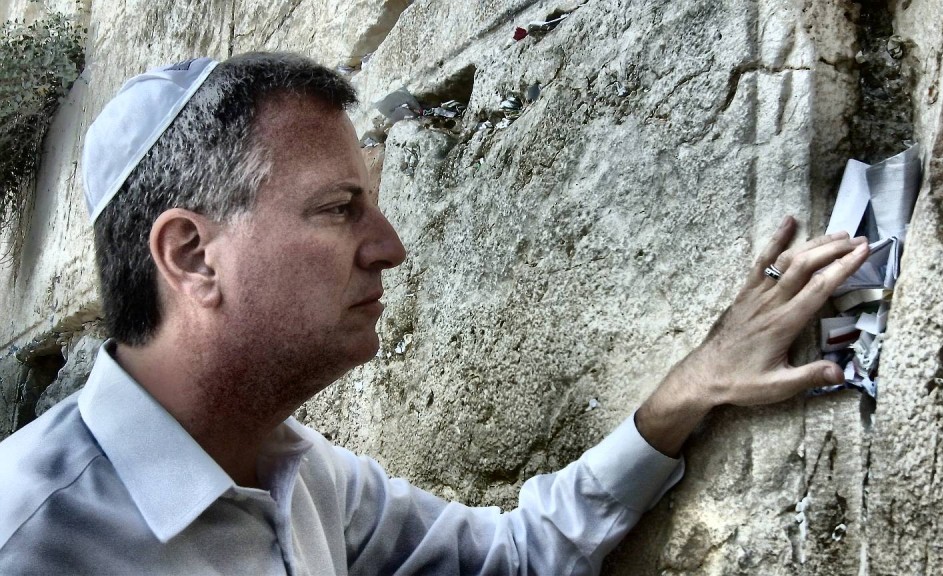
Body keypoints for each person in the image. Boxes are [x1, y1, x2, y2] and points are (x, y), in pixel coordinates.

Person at [0, 52, 868, 574]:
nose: (388, 247)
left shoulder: (311, 483)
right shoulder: (28, 538)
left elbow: (516, 557)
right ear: (192, 256)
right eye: (340, 209)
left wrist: (687, 392)